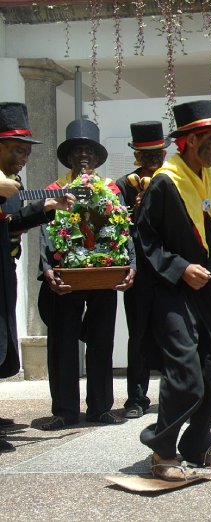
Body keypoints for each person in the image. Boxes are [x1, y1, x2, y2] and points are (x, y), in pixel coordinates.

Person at [137, 100, 211, 480]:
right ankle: (163, 449)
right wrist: (181, 267)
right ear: (187, 140)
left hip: (203, 291)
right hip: (168, 290)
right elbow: (144, 239)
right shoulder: (164, 182)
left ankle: (197, 444)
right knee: (185, 372)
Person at [37, 118, 135, 431]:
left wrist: (130, 264)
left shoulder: (111, 190)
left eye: (89, 151)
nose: (83, 155)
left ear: (97, 158)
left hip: (104, 275)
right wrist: (47, 267)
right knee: (63, 342)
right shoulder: (55, 191)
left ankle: (100, 407)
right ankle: (64, 410)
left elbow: (124, 230)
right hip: (66, 276)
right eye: (77, 150)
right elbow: (43, 232)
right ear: (67, 158)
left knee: (102, 339)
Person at [0, 102, 73, 452]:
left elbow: (11, 224)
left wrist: (43, 210)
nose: (23, 158)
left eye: (27, 152)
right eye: (17, 150)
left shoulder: (12, 184)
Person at [114, 121, 170, 419]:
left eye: (157, 155)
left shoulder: (172, 180)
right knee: (138, 333)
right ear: (137, 156)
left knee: (170, 331)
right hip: (139, 270)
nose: (152, 161)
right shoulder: (124, 184)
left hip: (168, 269)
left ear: (164, 153)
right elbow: (116, 230)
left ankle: (173, 395)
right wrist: (134, 211)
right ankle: (136, 397)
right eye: (146, 156)